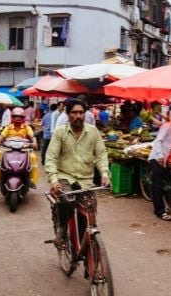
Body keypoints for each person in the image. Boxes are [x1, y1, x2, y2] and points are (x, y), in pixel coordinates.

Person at [45, 99, 110, 246]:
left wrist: (105, 174)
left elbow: (101, 155)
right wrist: (54, 180)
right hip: (64, 177)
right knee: (66, 200)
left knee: (88, 216)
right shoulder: (60, 132)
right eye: (74, 112)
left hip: (86, 180)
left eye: (81, 112)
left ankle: (88, 255)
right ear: (68, 114)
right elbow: (51, 157)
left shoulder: (93, 132)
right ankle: (61, 229)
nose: (78, 116)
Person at [0, 107, 40, 190]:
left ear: (23, 118)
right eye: (15, 116)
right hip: (8, 150)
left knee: (33, 157)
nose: (18, 118)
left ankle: (31, 179)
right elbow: (1, 136)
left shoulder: (27, 127)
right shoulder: (8, 127)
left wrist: (34, 143)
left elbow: (32, 136)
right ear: (12, 117)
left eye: (20, 117)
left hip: (24, 150)